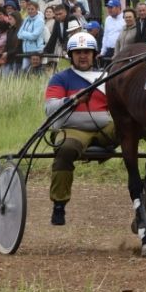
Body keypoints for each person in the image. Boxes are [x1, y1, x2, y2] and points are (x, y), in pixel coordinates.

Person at [44, 32, 116, 226]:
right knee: (66, 150)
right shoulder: (60, 79)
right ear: (70, 56)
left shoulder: (107, 78)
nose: (83, 56)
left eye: (87, 52)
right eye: (78, 52)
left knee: (131, 129)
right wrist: (73, 100)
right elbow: (50, 108)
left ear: (94, 54)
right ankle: (59, 204)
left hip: (106, 129)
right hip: (74, 130)